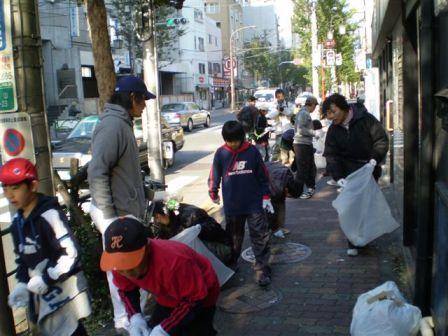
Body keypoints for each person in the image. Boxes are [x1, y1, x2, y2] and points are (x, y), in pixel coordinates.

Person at [88, 75, 156, 331]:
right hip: (114, 213)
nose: (145, 105)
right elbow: (98, 172)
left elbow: (119, 172)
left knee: (128, 267)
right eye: (143, 100)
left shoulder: (121, 123)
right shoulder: (113, 126)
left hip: (121, 210)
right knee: (121, 270)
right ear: (131, 97)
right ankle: (126, 322)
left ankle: (130, 320)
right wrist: (110, 217)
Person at [1, 158, 91, 336]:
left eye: (16, 187)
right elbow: (22, 259)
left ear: (33, 185)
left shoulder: (50, 215)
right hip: (43, 297)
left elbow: (71, 253)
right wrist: (21, 283)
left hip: (64, 293)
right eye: (5, 187)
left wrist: (47, 278)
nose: (10, 194)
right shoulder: (17, 223)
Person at [100, 217, 220, 336]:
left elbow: (195, 299)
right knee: (154, 329)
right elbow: (127, 290)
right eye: (121, 267)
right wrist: (135, 317)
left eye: (131, 265)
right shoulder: (118, 265)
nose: (126, 272)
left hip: (201, 291)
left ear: (147, 249)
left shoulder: (175, 262)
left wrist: (164, 330)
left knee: (197, 330)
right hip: (167, 294)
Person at [208, 120, 274, 286]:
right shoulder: (221, 154)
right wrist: (213, 192)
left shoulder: (252, 152)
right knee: (233, 238)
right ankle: (231, 264)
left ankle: (262, 268)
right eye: (228, 140)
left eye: (235, 140)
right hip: (233, 205)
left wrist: (266, 196)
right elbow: (214, 175)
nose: (232, 144)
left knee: (260, 236)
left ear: (242, 138)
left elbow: (263, 175)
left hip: (254, 203)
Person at [323, 93, 389, 256]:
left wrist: (374, 159)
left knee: (365, 206)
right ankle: (354, 241)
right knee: (350, 208)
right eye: (328, 113)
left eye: (333, 111)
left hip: (368, 169)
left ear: (344, 108)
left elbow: (381, 140)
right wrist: (338, 177)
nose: (331, 116)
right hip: (348, 173)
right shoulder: (333, 129)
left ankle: (364, 238)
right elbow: (331, 154)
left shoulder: (366, 120)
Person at [152, 199, 233, 264]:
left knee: (186, 249)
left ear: (166, 213)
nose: (157, 221)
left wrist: (196, 230)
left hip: (222, 249)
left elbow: (214, 230)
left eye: (157, 217)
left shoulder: (190, 215)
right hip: (206, 249)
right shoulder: (170, 218)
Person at [264, 161, 300, 238]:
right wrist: (275, 229)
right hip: (258, 178)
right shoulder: (276, 188)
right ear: (287, 190)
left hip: (270, 171)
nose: (288, 197)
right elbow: (270, 211)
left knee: (280, 200)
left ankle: (279, 226)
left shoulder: (288, 176)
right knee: (270, 207)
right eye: (289, 196)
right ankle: (270, 229)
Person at [293, 95, 320, 199]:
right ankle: (298, 191)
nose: (315, 108)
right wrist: (314, 133)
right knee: (303, 168)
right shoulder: (304, 113)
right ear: (311, 104)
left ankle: (310, 188)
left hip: (304, 144)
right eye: (315, 106)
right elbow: (301, 129)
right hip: (302, 144)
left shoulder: (303, 112)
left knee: (309, 167)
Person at [268, 89, 294, 161]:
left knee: (290, 150)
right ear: (276, 97)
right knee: (281, 149)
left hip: (288, 129)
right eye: (278, 97)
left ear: (284, 96)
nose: (280, 98)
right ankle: (283, 163)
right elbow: (270, 115)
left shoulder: (289, 104)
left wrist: (283, 110)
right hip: (279, 130)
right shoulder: (273, 105)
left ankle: (291, 164)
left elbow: (291, 113)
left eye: (281, 96)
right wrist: (278, 110)